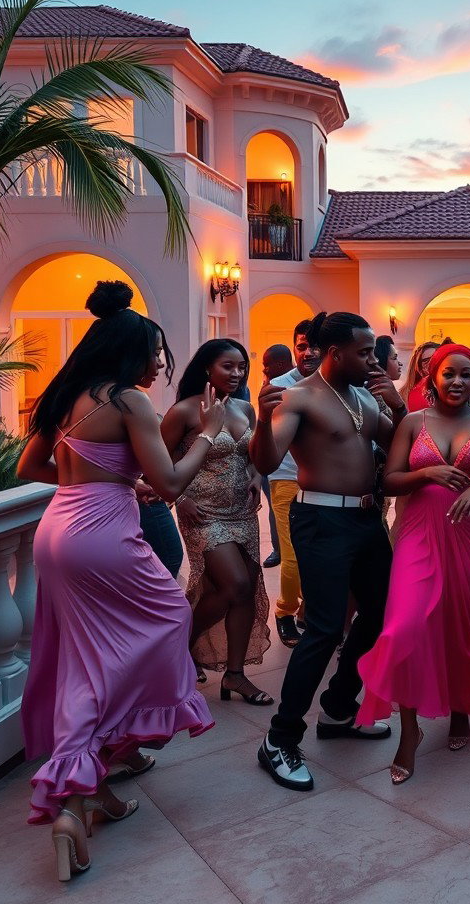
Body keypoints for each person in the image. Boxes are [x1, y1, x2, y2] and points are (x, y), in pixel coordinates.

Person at [16, 281, 216, 882]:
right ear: (129, 354)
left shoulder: (65, 395)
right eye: (155, 353)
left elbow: (32, 467)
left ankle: (92, 783)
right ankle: (73, 798)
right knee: (168, 620)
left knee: (85, 655)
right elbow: (173, 480)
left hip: (59, 531)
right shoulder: (131, 402)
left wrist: (105, 485)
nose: (161, 363)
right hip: (102, 538)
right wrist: (205, 439)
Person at [249, 311, 407, 791]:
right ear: (336, 353)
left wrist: (399, 408)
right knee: (322, 627)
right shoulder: (298, 397)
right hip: (321, 518)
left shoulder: (362, 396)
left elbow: (397, 440)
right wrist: (261, 417)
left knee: (381, 614)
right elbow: (266, 459)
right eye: (363, 353)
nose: (371, 360)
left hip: (365, 517)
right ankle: (278, 739)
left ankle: (338, 708)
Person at [357, 344, 470, 783]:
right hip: (420, 531)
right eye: (449, 374)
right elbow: (388, 481)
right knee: (404, 626)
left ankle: (460, 707)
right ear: (432, 377)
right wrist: (427, 474)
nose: (458, 382)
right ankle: (409, 732)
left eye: (466, 374)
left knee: (462, 625)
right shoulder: (413, 422)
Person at [161, 339, 272, 705]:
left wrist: (256, 476)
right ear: (207, 368)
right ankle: (179, 648)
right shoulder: (184, 411)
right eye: (228, 366)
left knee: (240, 587)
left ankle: (236, 676)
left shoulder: (244, 408)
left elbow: (252, 456)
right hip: (202, 513)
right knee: (236, 584)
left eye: (242, 366)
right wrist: (179, 497)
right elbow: (158, 465)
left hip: (242, 512)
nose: (237, 373)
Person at [267, 320, 322, 646]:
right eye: (302, 346)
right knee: (292, 556)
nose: (308, 353)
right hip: (287, 477)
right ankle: (285, 612)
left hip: (321, 481)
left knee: (316, 555)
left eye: (314, 346)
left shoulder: (329, 384)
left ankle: (307, 611)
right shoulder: (280, 385)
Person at [258, 344, 294, 568]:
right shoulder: (270, 385)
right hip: (272, 463)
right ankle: (278, 548)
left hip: (291, 465)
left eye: (266, 364)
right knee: (275, 509)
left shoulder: (292, 386)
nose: (264, 369)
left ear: (279, 364)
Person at [402, 340, 440, 412]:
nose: (431, 363)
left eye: (435, 358)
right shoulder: (405, 395)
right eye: (426, 360)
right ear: (419, 368)